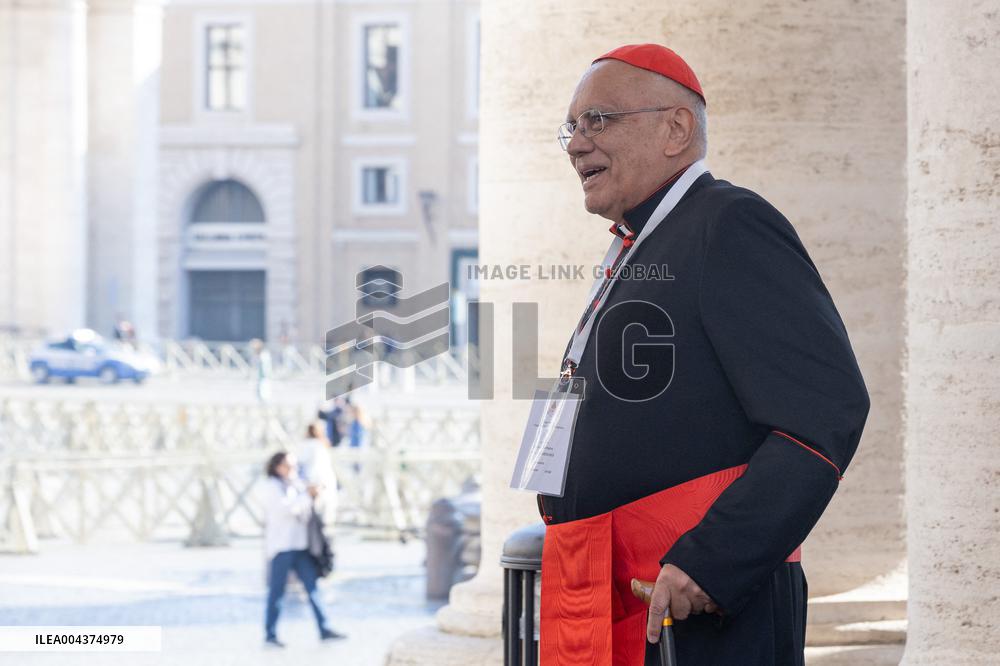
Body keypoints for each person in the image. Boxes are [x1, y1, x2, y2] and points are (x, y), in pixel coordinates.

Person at [535, 44, 870, 666]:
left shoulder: (731, 222)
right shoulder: (642, 241)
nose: (576, 144)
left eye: (598, 120)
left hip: (694, 604)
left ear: (675, 129)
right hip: (612, 589)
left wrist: (713, 561)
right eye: (571, 128)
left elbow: (826, 414)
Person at [262, 451, 345, 647]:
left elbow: (306, 510)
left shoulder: (296, 485)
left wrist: (314, 495)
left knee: (313, 589)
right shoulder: (271, 487)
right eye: (289, 466)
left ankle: (324, 628)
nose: (293, 470)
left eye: (294, 466)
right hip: (282, 548)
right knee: (277, 592)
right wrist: (307, 496)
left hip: (301, 547)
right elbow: (286, 510)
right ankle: (270, 633)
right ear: (277, 467)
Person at [295, 422, 338, 525]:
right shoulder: (322, 444)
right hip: (325, 480)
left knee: (312, 512)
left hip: (312, 480)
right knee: (325, 512)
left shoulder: (306, 445)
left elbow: (301, 463)